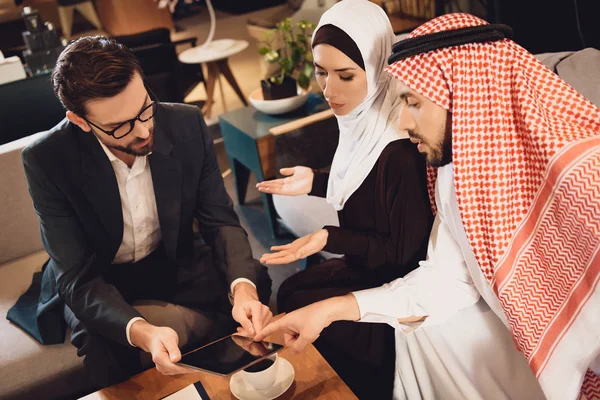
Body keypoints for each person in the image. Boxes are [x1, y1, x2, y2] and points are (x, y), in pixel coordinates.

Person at [256, 13, 600, 400]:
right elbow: (448, 278)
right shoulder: (455, 173)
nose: (402, 122)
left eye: (413, 103)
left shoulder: (583, 173)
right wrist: (333, 308)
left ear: (466, 95)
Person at [7, 36, 273, 388]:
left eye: (145, 108)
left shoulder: (186, 123)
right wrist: (141, 331)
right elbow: (78, 277)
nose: (145, 130)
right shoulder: (47, 159)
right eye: (120, 126)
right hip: (100, 274)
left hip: (170, 258)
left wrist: (243, 292)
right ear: (80, 120)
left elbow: (220, 221)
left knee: (254, 279)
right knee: (104, 343)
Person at [255, 1, 433, 398]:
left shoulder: (400, 150)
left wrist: (329, 238)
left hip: (389, 290)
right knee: (291, 293)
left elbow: (403, 255)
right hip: (361, 265)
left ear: (377, 67)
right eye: (321, 72)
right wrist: (316, 181)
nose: (329, 90)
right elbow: (361, 183)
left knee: (300, 309)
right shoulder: (362, 117)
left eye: (346, 75)